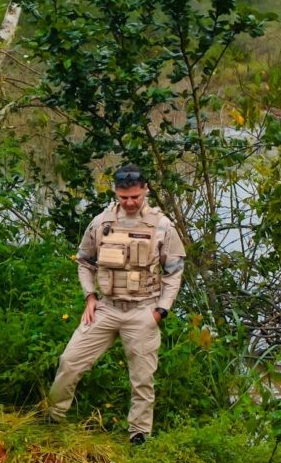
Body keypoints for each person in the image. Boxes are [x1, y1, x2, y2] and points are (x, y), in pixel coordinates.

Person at [46, 163, 185, 443]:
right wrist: (90, 296)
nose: (130, 202)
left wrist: (161, 310)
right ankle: (52, 418)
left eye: (136, 196)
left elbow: (174, 269)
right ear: (115, 193)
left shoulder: (162, 226)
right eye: (124, 197)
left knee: (142, 379)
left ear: (145, 190)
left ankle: (138, 435)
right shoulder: (101, 223)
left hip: (143, 311)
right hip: (106, 309)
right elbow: (84, 261)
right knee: (70, 361)